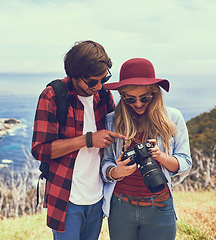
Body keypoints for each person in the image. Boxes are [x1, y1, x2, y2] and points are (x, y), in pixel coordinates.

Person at [31, 40, 127, 240]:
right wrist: (88, 140)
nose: (100, 86)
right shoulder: (52, 95)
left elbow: (117, 130)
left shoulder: (103, 94)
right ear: (74, 76)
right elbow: (40, 150)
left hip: (98, 197)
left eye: (104, 78)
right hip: (67, 199)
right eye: (92, 82)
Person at [101, 58, 192, 240]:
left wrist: (161, 157)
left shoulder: (172, 118)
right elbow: (105, 164)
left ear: (155, 94)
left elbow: (185, 162)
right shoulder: (112, 120)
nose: (138, 104)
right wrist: (116, 171)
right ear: (122, 96)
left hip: (159, 206)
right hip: (120, 207)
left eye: (145, 98)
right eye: (130, 99)